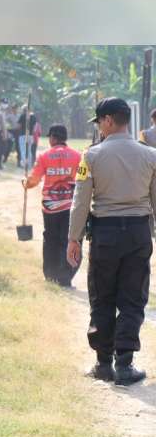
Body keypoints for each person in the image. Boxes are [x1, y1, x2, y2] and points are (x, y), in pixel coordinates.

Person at [68, 98, 156, 385]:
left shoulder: (91, 156)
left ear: (107, 120)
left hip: (105, 235)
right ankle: (125, 364)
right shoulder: (150, 155)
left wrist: (74, 238)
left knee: (102, 297)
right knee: (133, 299)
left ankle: (103, 364)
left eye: (99, 123)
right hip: (138, 232)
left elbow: (81, 201)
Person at [23, 124, 81, 287]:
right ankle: (65, 277)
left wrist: (26, 183)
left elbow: (34, 180)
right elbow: (83, 179)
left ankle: (50, 275)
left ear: (53, 138)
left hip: (50, 206)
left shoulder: (44, 156)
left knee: (50, 239)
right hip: (71, 206)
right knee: (69, 240)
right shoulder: (77, 156)